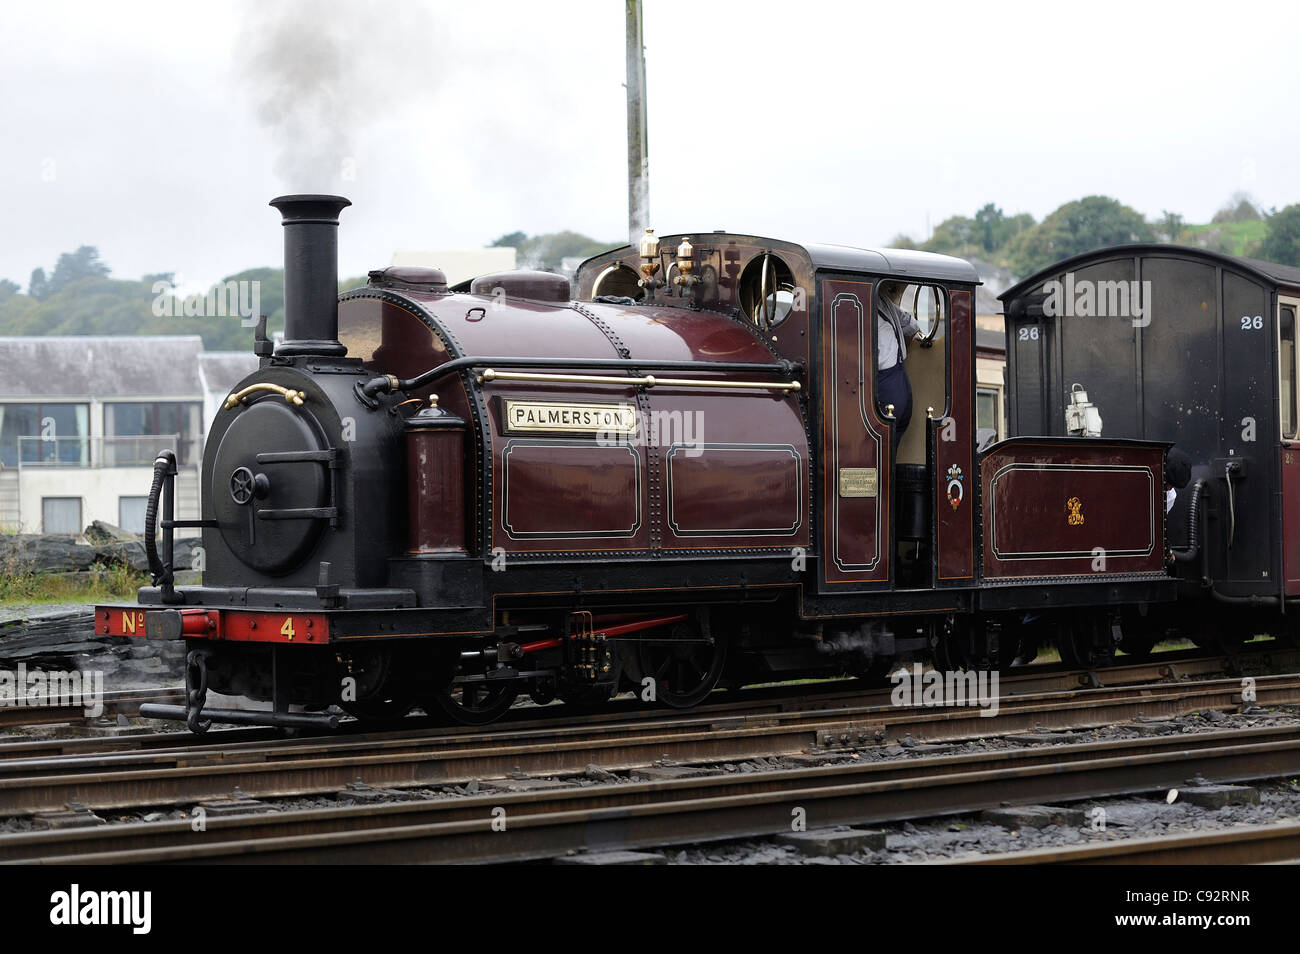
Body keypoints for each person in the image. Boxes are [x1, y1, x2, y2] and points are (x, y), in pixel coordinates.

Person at [876, 283, 927, 456]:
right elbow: (912, 326)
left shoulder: (864, 306)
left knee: (879, 451)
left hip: (886, 386)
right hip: (901, 382)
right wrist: (898, 352)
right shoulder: (884, 301)